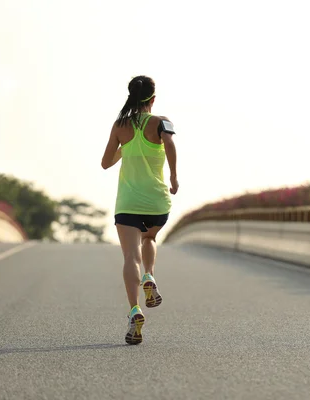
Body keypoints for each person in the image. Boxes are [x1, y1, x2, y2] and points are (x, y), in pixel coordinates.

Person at [101, 75, 179, 345]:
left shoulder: (120, 125)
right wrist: (174, 177)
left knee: (130, 257)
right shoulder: (161, 122)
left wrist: (125, 148)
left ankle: (135, 310)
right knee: (150, 238)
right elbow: (169, 144)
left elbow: (105, 163)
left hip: (128, 203)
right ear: (153, 99)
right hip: (156, 202)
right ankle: (150, 275)